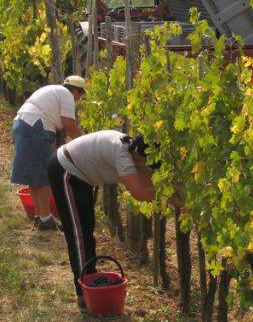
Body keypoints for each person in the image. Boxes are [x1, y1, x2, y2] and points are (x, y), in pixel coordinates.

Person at [48, 131, 157, 307]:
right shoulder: (122, 156)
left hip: (80, 176)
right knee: (79, 235)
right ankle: (83, 293)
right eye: (148, 162)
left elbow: (146, 182)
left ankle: (89, 282)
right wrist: (173, 193)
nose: (147, 166)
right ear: (140, 156)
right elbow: (140, 192)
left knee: (87, 230)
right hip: (65, 170)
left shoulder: (129, 147)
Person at [11, 76, 86, 231]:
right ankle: (46, 218)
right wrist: (89, 142)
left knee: (34, 174)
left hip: (22, 123)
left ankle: (41, 216)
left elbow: (52, 126)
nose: (79, 99)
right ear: (76, 91)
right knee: (45, 174)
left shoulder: (53, 91)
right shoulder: (66, 95)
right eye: (80, 95)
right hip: (35, 126)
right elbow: (69, 125)